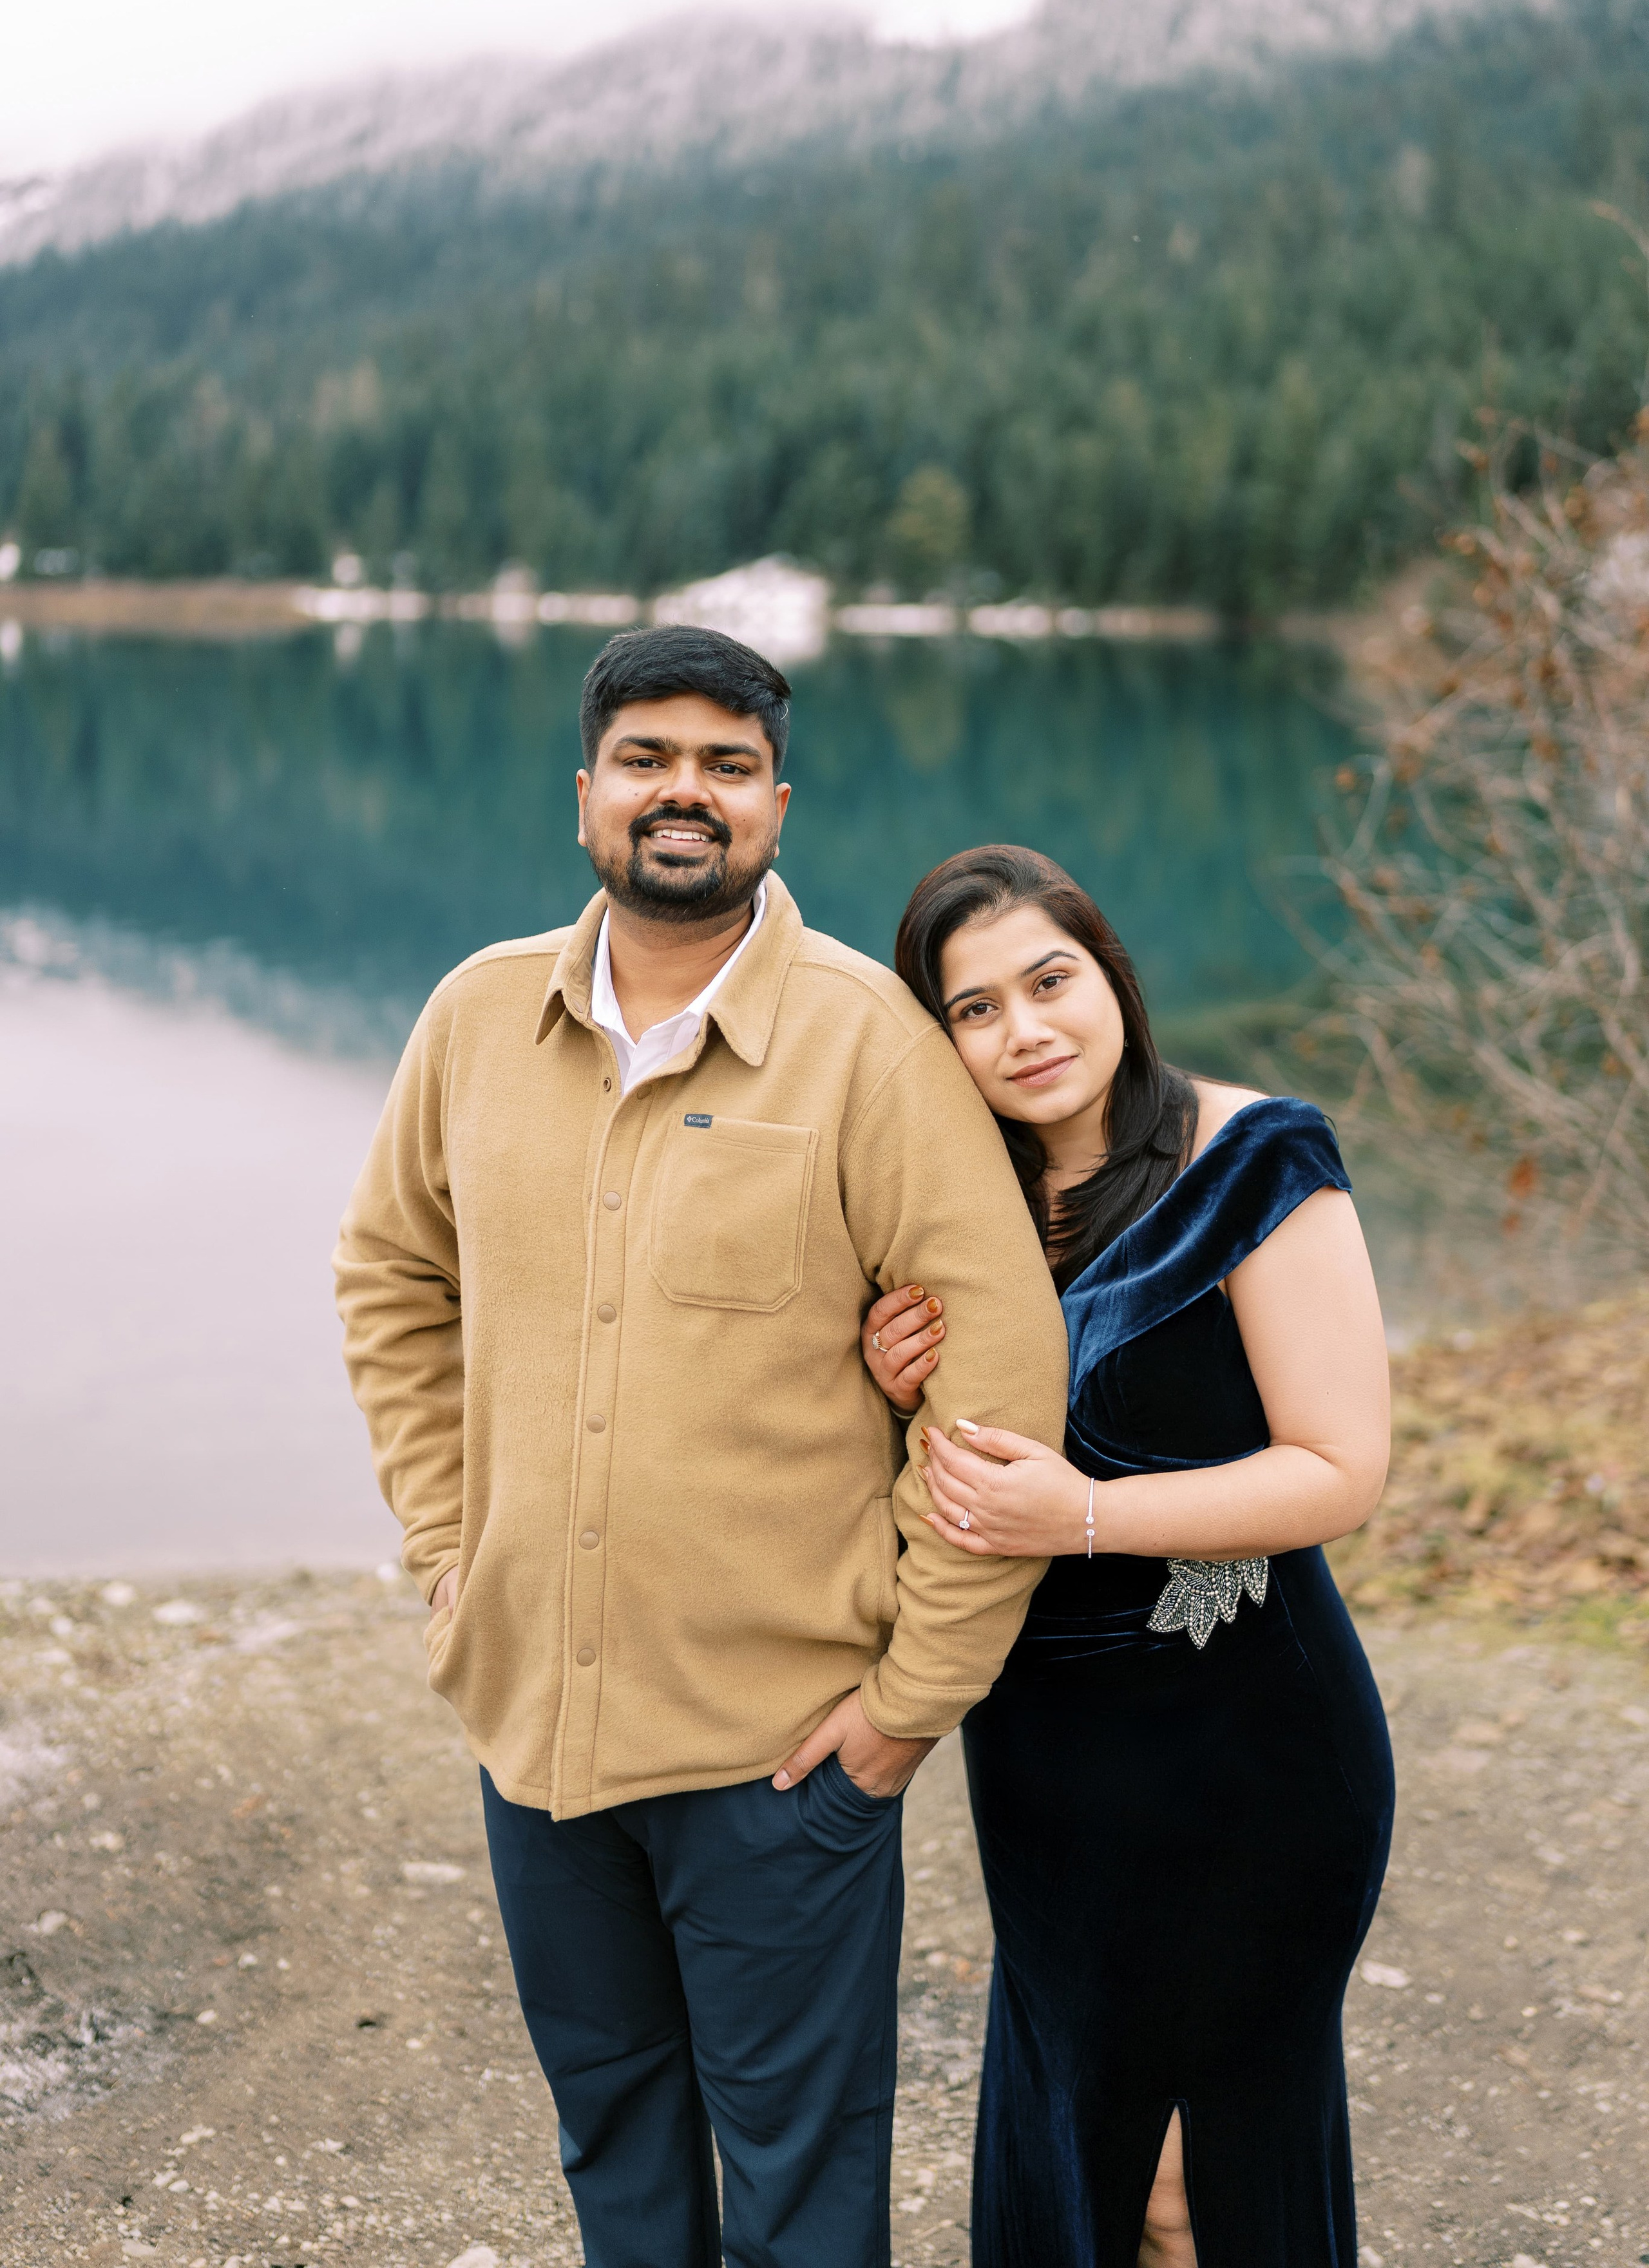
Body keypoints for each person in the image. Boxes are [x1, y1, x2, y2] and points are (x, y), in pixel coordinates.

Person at [333, 634, 1069, 2268]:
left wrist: (906, 1705)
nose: (685, 791)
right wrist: (451, 1553)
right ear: (584, 794)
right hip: (533, 1737)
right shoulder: (470, 1019)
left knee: (800, 2201)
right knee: (616, 2156)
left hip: (782, 1759)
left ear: (776, 805)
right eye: (648, 756)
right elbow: (392, 1274)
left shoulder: (866, 1041)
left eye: (726, 765)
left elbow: (996, 1372)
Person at [862, 843, 1395, 2268]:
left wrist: (1082, 1519)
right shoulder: (951, 1208)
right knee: (1080, 2146)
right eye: (972, 1010)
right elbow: (955, 1479)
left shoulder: (1254, 1157)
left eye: (1048, 982)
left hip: (1247, 1757)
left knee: (1190, 2187)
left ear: (1110, 977)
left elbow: (1337, 1469)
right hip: (1046, 1770)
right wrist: (885, 1383)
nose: (1022, 1031)